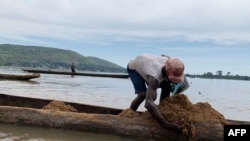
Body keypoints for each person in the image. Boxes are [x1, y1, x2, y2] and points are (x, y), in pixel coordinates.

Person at [127, 54, 188, 133]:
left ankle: (162, 109)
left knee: (167, 85)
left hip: (147, 65)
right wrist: (166, 124)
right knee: (143, 94)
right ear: (166, 71)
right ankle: (129, 114)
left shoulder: (171, 62)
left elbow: (164, 55)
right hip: (134, 67)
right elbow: (148, 104)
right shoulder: (154, 78)